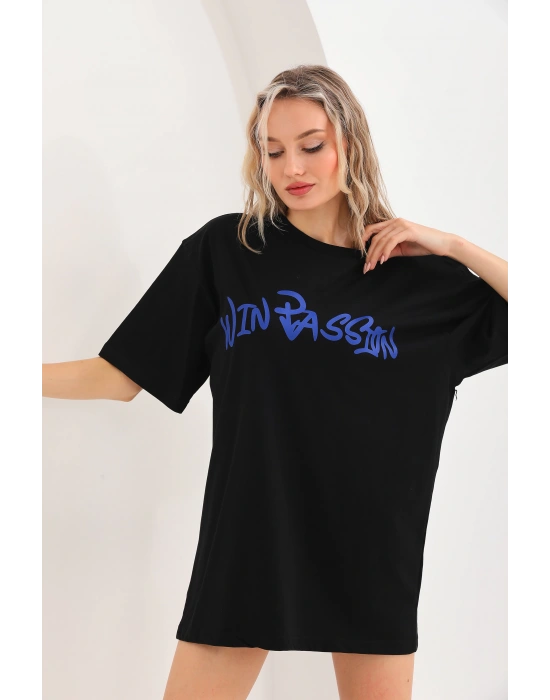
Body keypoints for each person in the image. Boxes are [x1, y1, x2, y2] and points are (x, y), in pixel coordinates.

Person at [42, 64, 511, 700]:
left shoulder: (420, 279)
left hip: (371, 552)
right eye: (273, 151)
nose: (293, 167)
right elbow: (120, 376)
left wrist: (454, 246)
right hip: (251, 539)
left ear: (351, 143)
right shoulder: (228, 252)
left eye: (312, 145)